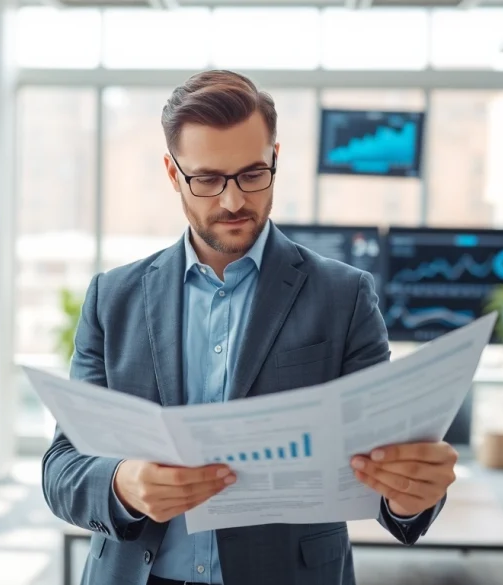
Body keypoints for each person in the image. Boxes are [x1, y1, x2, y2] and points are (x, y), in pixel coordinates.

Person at [42, 70, 458, 585]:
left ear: (275, 159)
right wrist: (122, 484)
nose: (234, 201)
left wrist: (411, 490)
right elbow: (62, 465)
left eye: (252, 174)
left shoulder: (343, 295)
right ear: (173, 174)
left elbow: (387, 461)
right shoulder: (114, 297)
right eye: (208, 180)